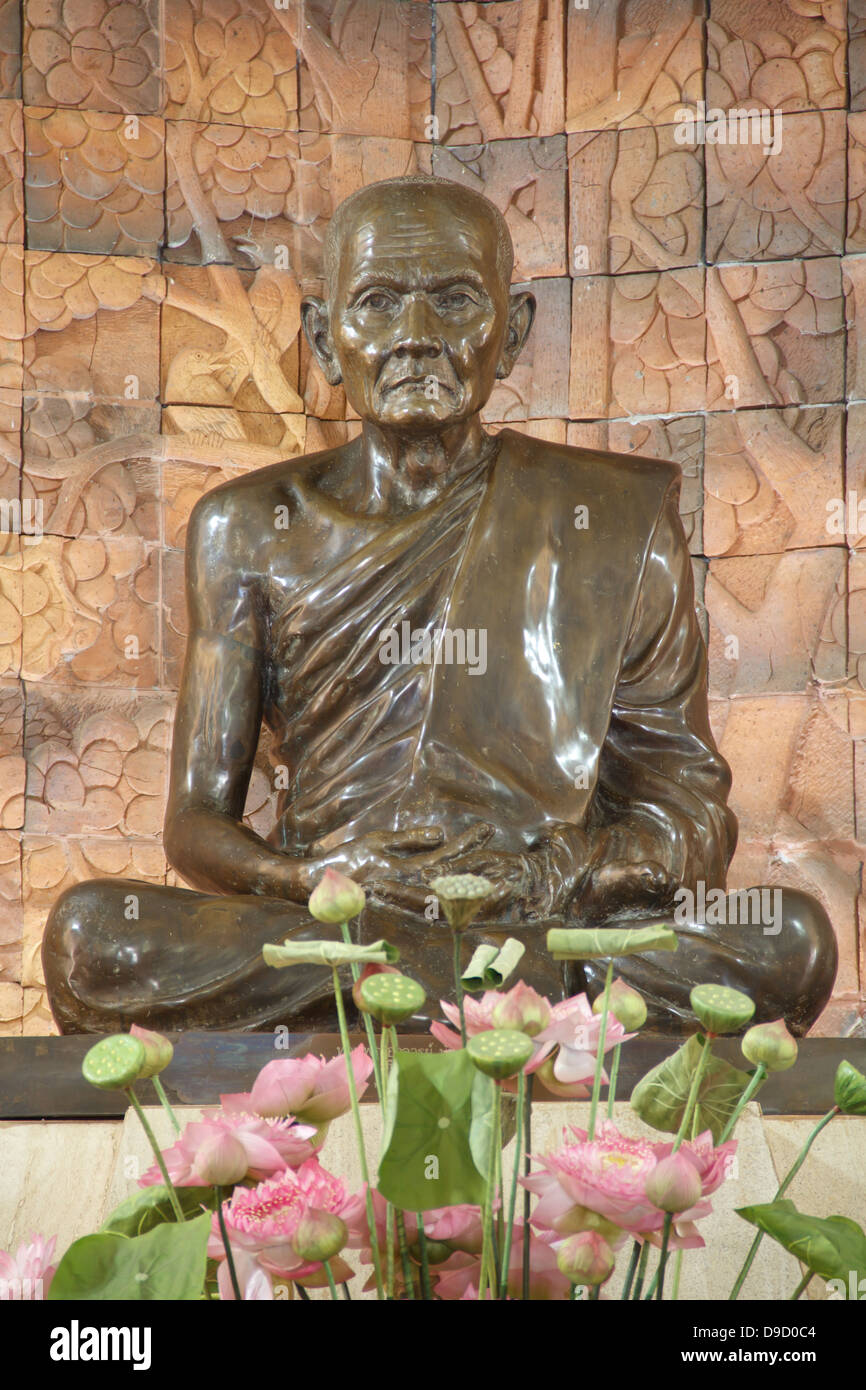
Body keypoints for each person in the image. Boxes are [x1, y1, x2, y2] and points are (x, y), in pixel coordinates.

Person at [43, 175, 837, 1035]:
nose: (414, 339)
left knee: (791, 942)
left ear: (511, 331)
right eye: (378, 304)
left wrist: (551, 875)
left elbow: (683, 809)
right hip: (337, 917)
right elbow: (198, 824)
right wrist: (312, 879)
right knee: (90, 937)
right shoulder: (244, 528)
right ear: (322, 336)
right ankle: (491, 994)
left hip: (544, 909)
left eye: (454, 301)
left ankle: (412, 987)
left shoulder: (610, 516)